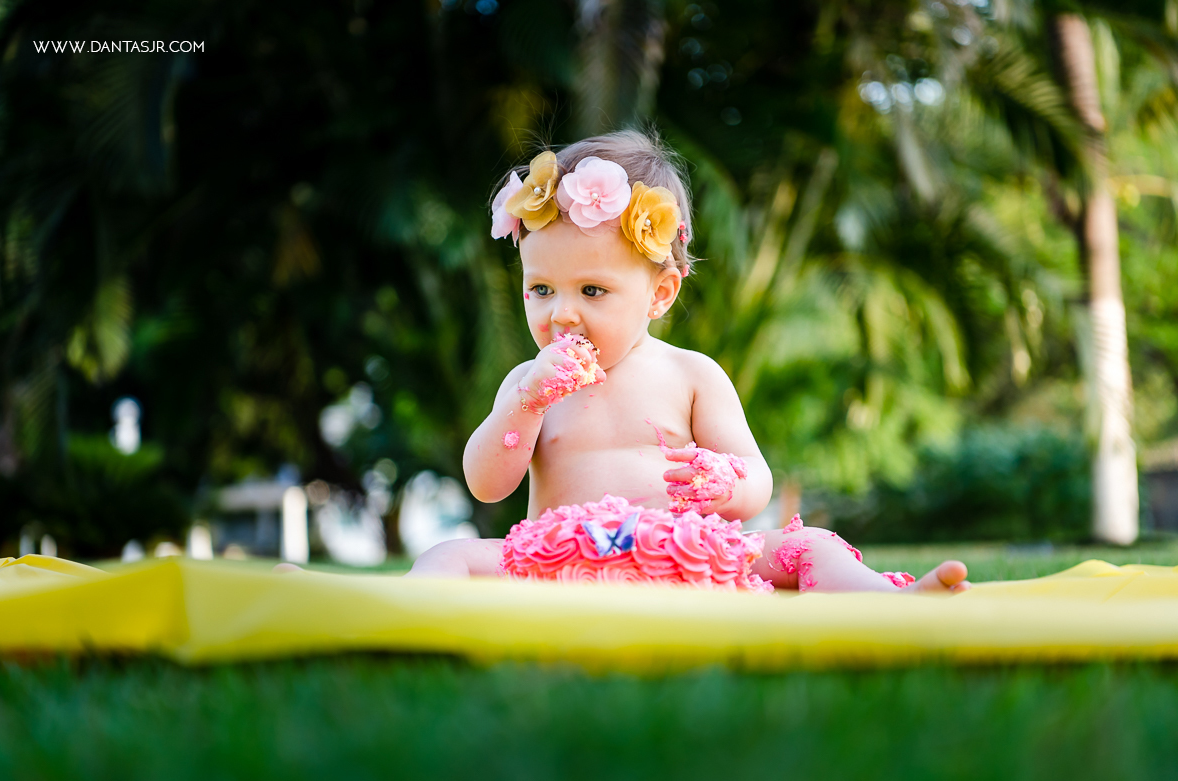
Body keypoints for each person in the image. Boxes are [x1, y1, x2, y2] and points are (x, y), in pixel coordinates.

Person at [404, 130, 969, 594]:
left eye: (593, 291)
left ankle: (890, 600)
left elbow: (756, 480)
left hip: (681, 551)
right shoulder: (527, 385)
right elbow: (486, 485)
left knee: (808, 546)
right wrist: (525, 406)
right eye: (542, 289)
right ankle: (408, 617)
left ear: (660, 294)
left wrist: (725, 483)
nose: (563, 315)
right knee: (449, 554)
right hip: (558, 557)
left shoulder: (690, 375)